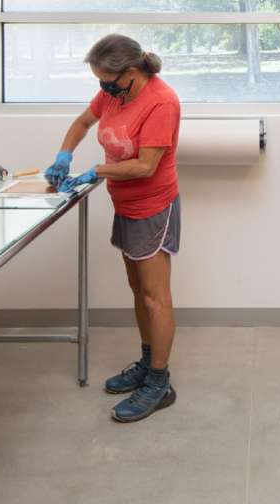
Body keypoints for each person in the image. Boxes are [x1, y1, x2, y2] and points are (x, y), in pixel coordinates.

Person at [45, 33, 182, 423]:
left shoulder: (161, 101)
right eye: (99, 82)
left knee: (156, 295)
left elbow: (145, 166)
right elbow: (84, 121)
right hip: (124, 203)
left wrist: (97, 170)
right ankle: (145, 361)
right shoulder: (113, 93)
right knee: (138, 289)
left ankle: (160, 382)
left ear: (133, 72)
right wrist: (65, 152)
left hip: (154, 206)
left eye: (107, 80)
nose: (102, 89)